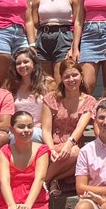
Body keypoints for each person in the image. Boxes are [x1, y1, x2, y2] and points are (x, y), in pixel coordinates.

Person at [41, 58, 96, 192]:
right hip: (52, 145)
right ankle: (52, 180)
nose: (71, 79)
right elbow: (46, 129)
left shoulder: (89, 100)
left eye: (75, 75)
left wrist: (69, 144)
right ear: (61, 78)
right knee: (72, 153)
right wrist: (51, 149)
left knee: (78, 153)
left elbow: (80, 128)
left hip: (73, 145)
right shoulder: (51, 98)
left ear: (81, 75)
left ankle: (45, 180)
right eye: (67, 76)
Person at [32, 0, 79, 81]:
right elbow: (34, 24)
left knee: (60, 78)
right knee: (46, 81)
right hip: (43, 38)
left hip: (63, 37)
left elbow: (79, 23)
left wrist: (74, 46)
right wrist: (33, 44)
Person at [8, 47, 52, 142]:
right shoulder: (11, 85)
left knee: (34, 134)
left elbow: (54, 110)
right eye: (18, 63)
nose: (22, 65)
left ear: (34, 63)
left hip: (40, 130)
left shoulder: (48, 83)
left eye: (26, 62)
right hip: (17, 130)